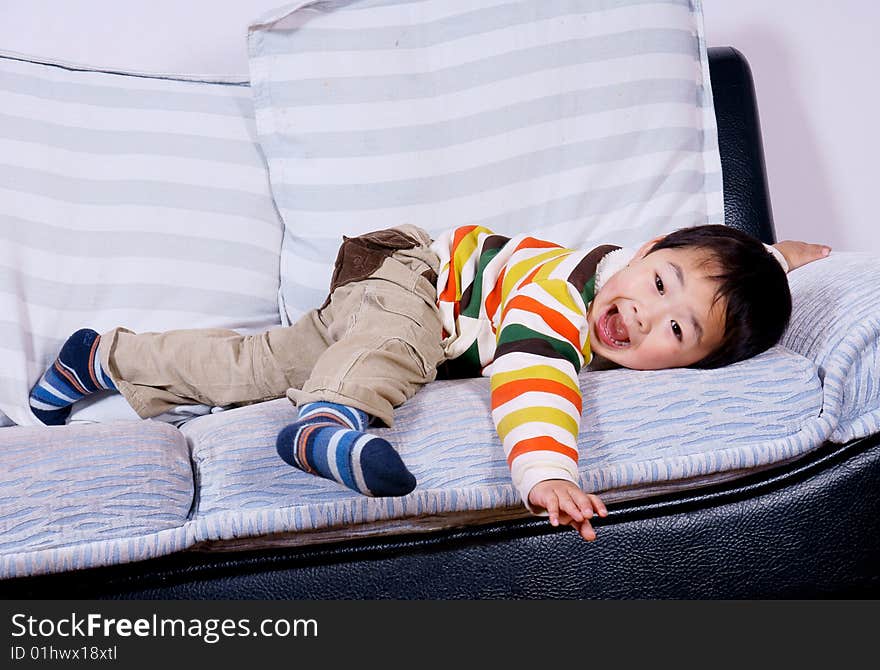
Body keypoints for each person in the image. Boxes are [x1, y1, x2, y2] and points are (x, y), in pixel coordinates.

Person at [28, 224, 830, 541]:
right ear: (645, 250)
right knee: (400, 345)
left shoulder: (656, 294)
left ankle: (101, 358)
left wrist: (781, 259)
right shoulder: (556, 302)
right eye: (657, 285)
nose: (646, 318)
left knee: (255, 367)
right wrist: (548, 471)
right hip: (408, 273)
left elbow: (718, 279)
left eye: (678, 333)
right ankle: (329, 425)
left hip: (386, 314)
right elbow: (535, 380)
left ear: (691, 367)